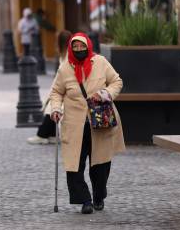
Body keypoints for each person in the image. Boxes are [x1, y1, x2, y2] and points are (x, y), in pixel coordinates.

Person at [49, 32, 126, 214]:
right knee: (73, 164)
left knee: (100, 164)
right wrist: (56, 109)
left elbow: (117, 81)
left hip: (100, 120)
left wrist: (107, 93)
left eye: (82, 46)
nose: (79, 50)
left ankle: (99, 195)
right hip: (74, 124)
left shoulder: (100, 62)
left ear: (88, 46)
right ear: (70, 48)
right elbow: (56, 92)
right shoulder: (64, 68)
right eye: (75, 47)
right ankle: (85, 200)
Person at [27, 30, 72, 144]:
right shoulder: (66, 54)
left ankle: (41, 135)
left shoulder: (67, 55)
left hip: (66, 89)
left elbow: (63, 75)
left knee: (51, 108)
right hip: (63, 87)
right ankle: (52, 134)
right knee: (52, 107)